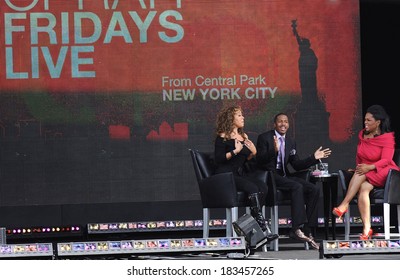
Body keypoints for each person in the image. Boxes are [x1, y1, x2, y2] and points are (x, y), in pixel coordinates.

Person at [256, 112, 331, 250]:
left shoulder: (290, 142)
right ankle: (295, 229)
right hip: (270, 176)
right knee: (296, 186)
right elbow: (259, 161)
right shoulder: (264, 138)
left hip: (284, 176)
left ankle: (308, 230)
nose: (283, 124)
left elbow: (296, 165)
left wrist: (313, 157)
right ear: (274, 124)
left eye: (286, 121)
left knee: (314, 189)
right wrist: (274, 150)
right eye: (280, 121)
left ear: (289, 125)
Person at [332, 105, 400, 240]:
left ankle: (344, 204)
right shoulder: (363, 135)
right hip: (368, 173)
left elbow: (386, 160)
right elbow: (360, 157)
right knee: (363, 187)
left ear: (378, 122)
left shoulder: (387, 138)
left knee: (360, 173)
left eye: (369, 120)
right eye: (365, 120)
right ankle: (367, 229)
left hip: (385, 172)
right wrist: (359, 166)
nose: (365, 123)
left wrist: (369, 167)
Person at [214, 105, 278, 242]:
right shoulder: (222, 136)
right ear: (231, 118)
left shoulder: (244, 136)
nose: (243, 118)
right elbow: (218, 159)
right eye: (239, 115)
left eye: (242, 115)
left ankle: (251, 228)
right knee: (253, 188)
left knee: (263, 187)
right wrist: (235, 151)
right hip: (226, 175)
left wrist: (254, 153)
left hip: (239, 174)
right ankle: (261, 228)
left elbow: (246, 160)